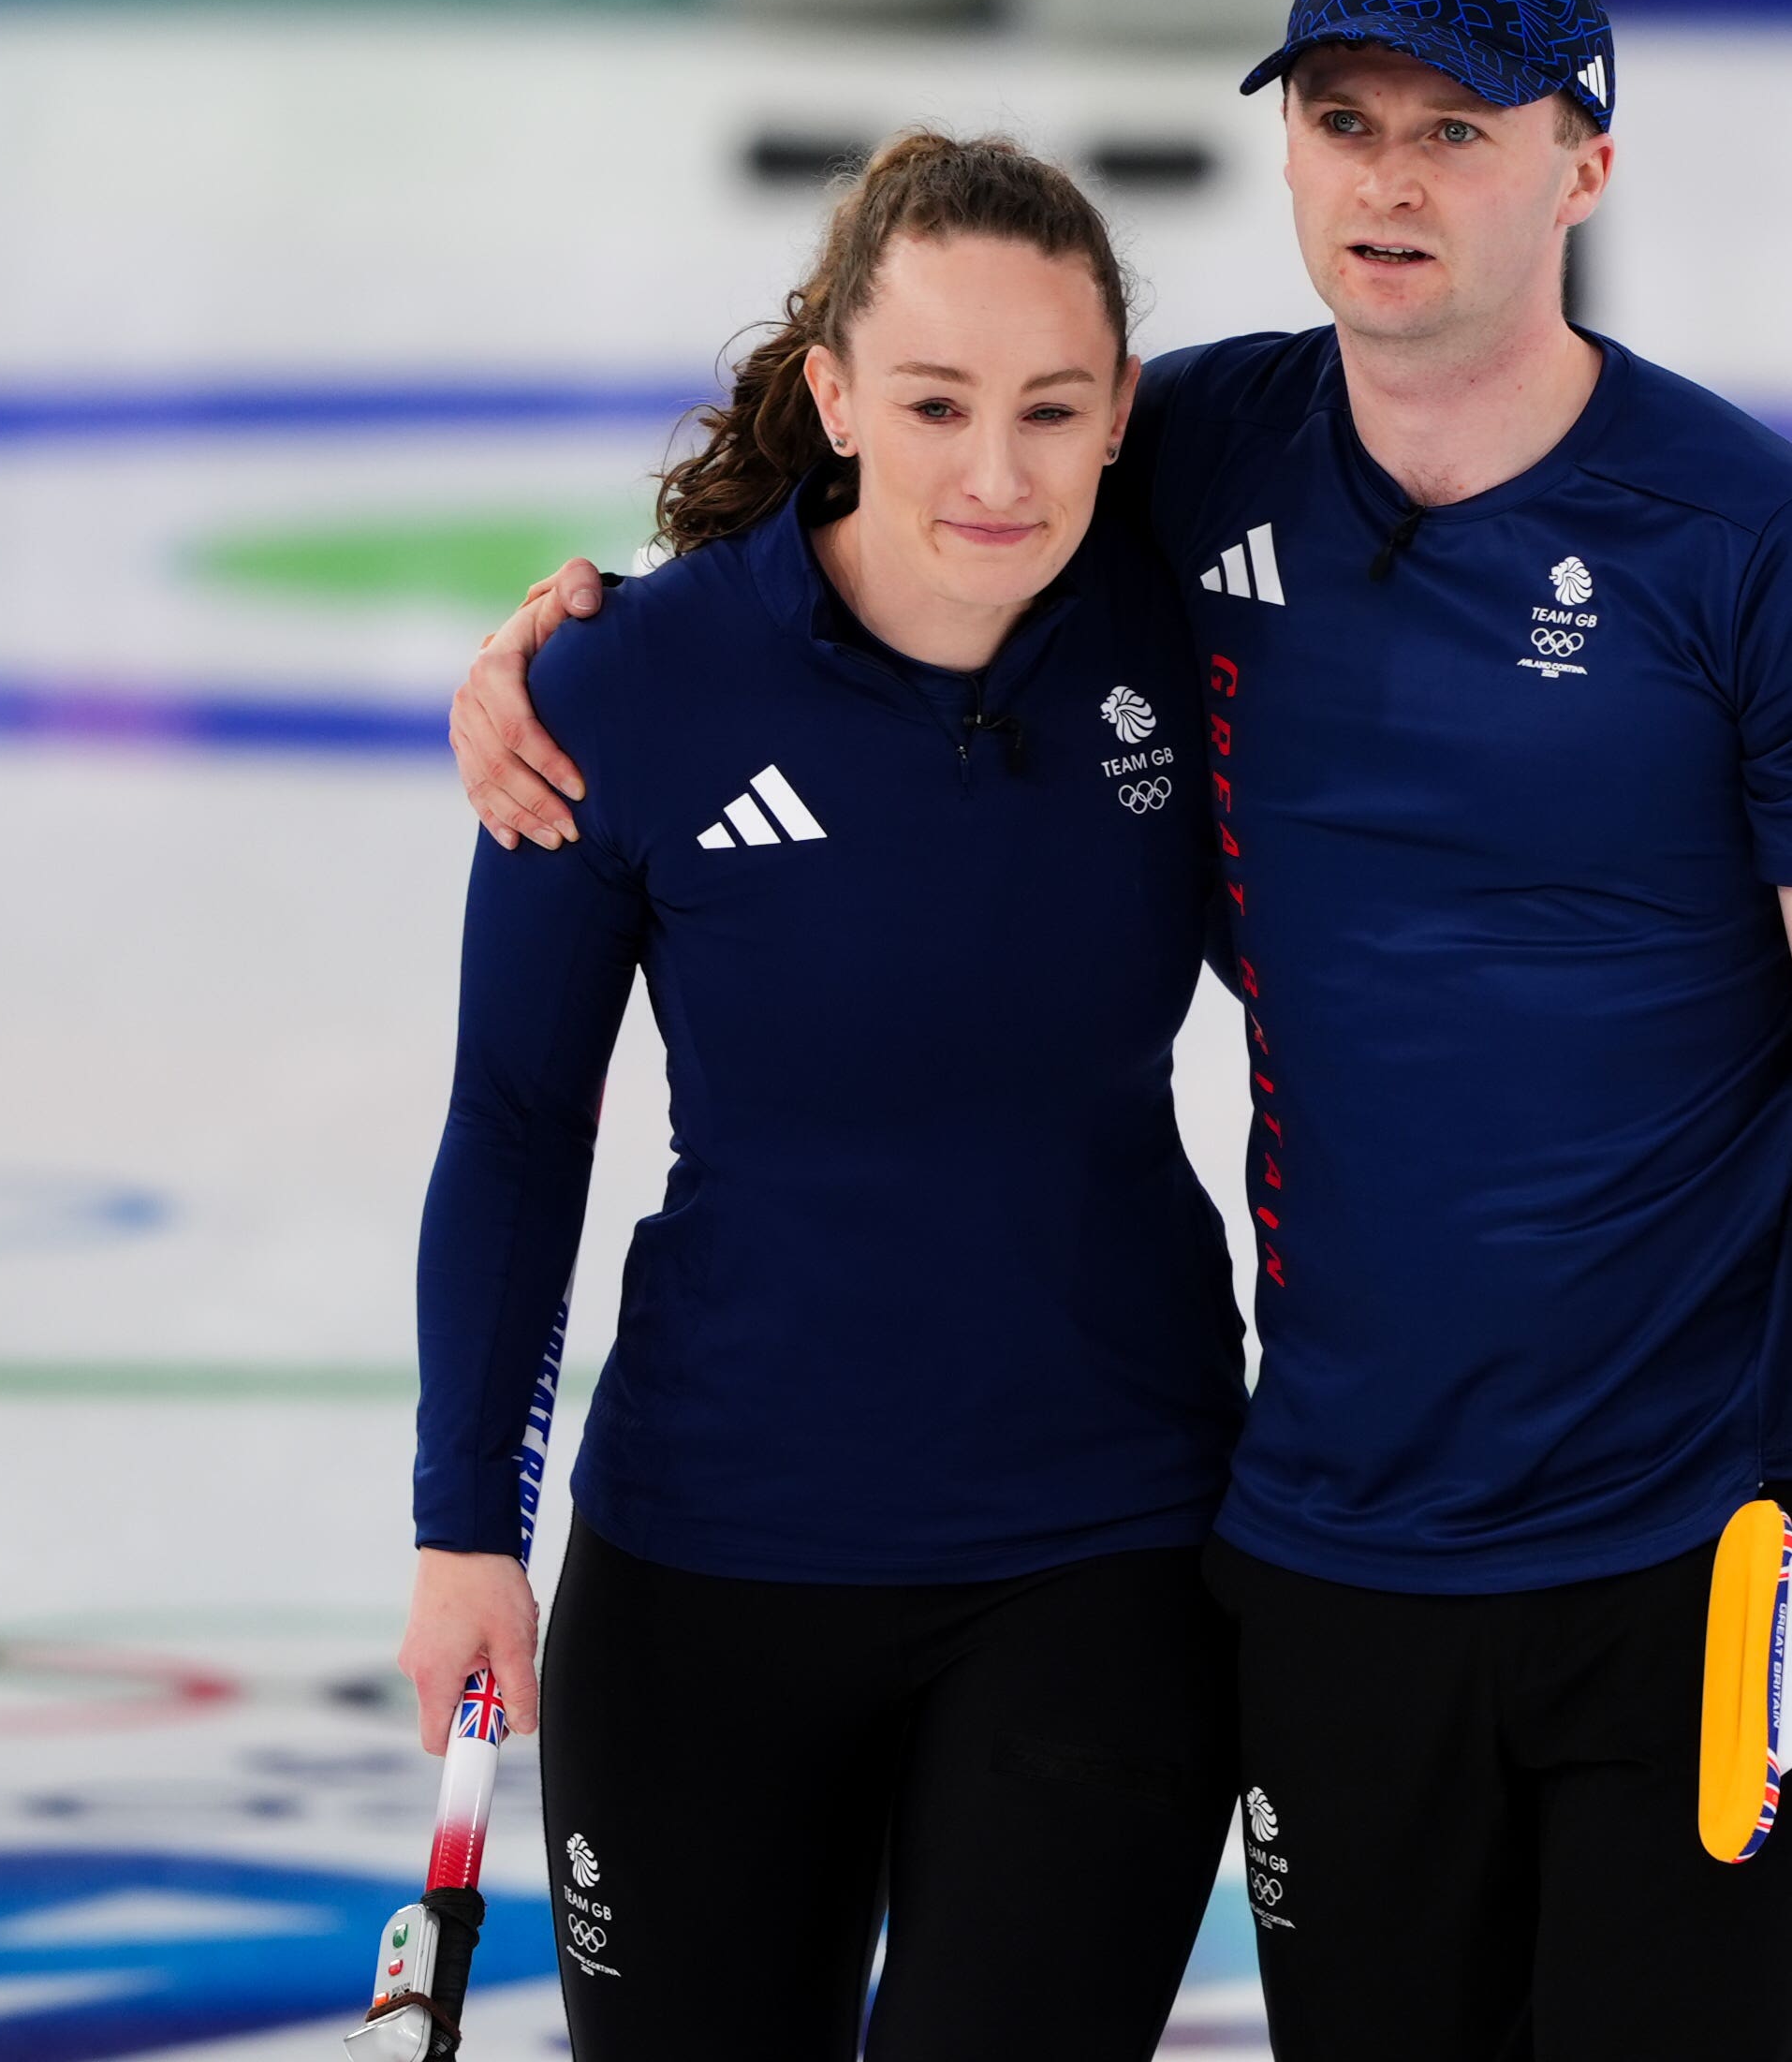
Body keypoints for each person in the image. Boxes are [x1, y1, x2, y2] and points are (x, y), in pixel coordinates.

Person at [458, 0, 1792, 2062]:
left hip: (1690, 1550)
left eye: (1459, 128)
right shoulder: (1192, 455)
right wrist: (588, 636)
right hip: (1325, 1551)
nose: (1389, 179)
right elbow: (916, 491)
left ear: (1587, 166)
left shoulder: (1772, 556)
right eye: (1344, 123)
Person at [397, 132, 1248, 2061]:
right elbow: (520, 1124)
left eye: (1053, 408)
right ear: (834, 393)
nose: (997, 472)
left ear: (1126, 409)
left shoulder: (1195, 638)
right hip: (711, 1570)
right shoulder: (623, 691)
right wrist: (467, 1527)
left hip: (1106, 1559)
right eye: (937, 404)